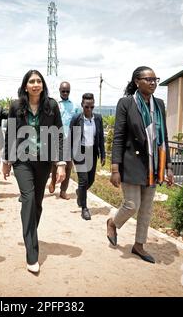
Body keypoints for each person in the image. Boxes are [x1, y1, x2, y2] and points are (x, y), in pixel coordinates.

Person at [107, 66, 174, 264]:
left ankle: (139, 245)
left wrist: (168, 165)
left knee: (146, 208)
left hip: (154, 164)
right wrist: (114, 168)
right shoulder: (126, 103)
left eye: (155, 79)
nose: (153, 83)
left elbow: (164, 137)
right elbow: (118, 136)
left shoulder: (159, 104)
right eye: (148, 79)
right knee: (131, 205)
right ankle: (112, 222)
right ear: (137, 81)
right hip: (131, 162)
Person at [2, 69, 66, 274]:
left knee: (37, 203)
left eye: (39, 81)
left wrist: (61, 163)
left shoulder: (51, 106)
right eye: (32, 81)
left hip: (44, 161)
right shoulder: (16, 106)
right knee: (28, 199)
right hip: (22, 161)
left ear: (43, 85)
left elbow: (59, 135)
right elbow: (11, 134)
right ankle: (32, 252)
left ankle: (30, 232)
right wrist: (7, 161)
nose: (36, 84)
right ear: (25, 86)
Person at [69, 93, 105, 220]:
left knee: (91, 180)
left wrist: (103, 154)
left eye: (91, 107)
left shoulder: (98, 119)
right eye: (86, 107)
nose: (89, 110)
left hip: (92, 152)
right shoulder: (76, 119)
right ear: (82, 106)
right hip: (80, 151)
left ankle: (80, 192)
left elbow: (101, 138)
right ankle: (84, 208)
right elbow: (71, 137)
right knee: (83, 180)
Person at [49, 81, 81, 200]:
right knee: (55, 163)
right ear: (59, 90)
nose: (65, 93)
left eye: (67, 91)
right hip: (56, 138)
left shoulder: (75, 106)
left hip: (69, 139)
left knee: (68, 165)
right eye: (63, 91)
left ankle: (63, 191)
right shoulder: (55, 104)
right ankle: (52, 181)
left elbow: (78, 122)